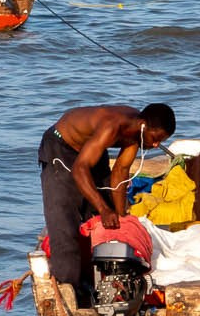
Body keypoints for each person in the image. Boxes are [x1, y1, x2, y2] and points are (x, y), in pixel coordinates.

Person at [39, 103, 177, 297]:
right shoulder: (112, 126)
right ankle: (69, 290)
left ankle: (97, 283)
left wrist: (121, 217)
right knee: (65, 225)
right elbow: (80, 168)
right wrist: (104, 209)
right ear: (144, 126)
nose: (155, 145)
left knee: (105, 223)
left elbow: (120, 173)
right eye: (155, 139)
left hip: (92, 150)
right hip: (61, 148)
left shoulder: (136, 133)